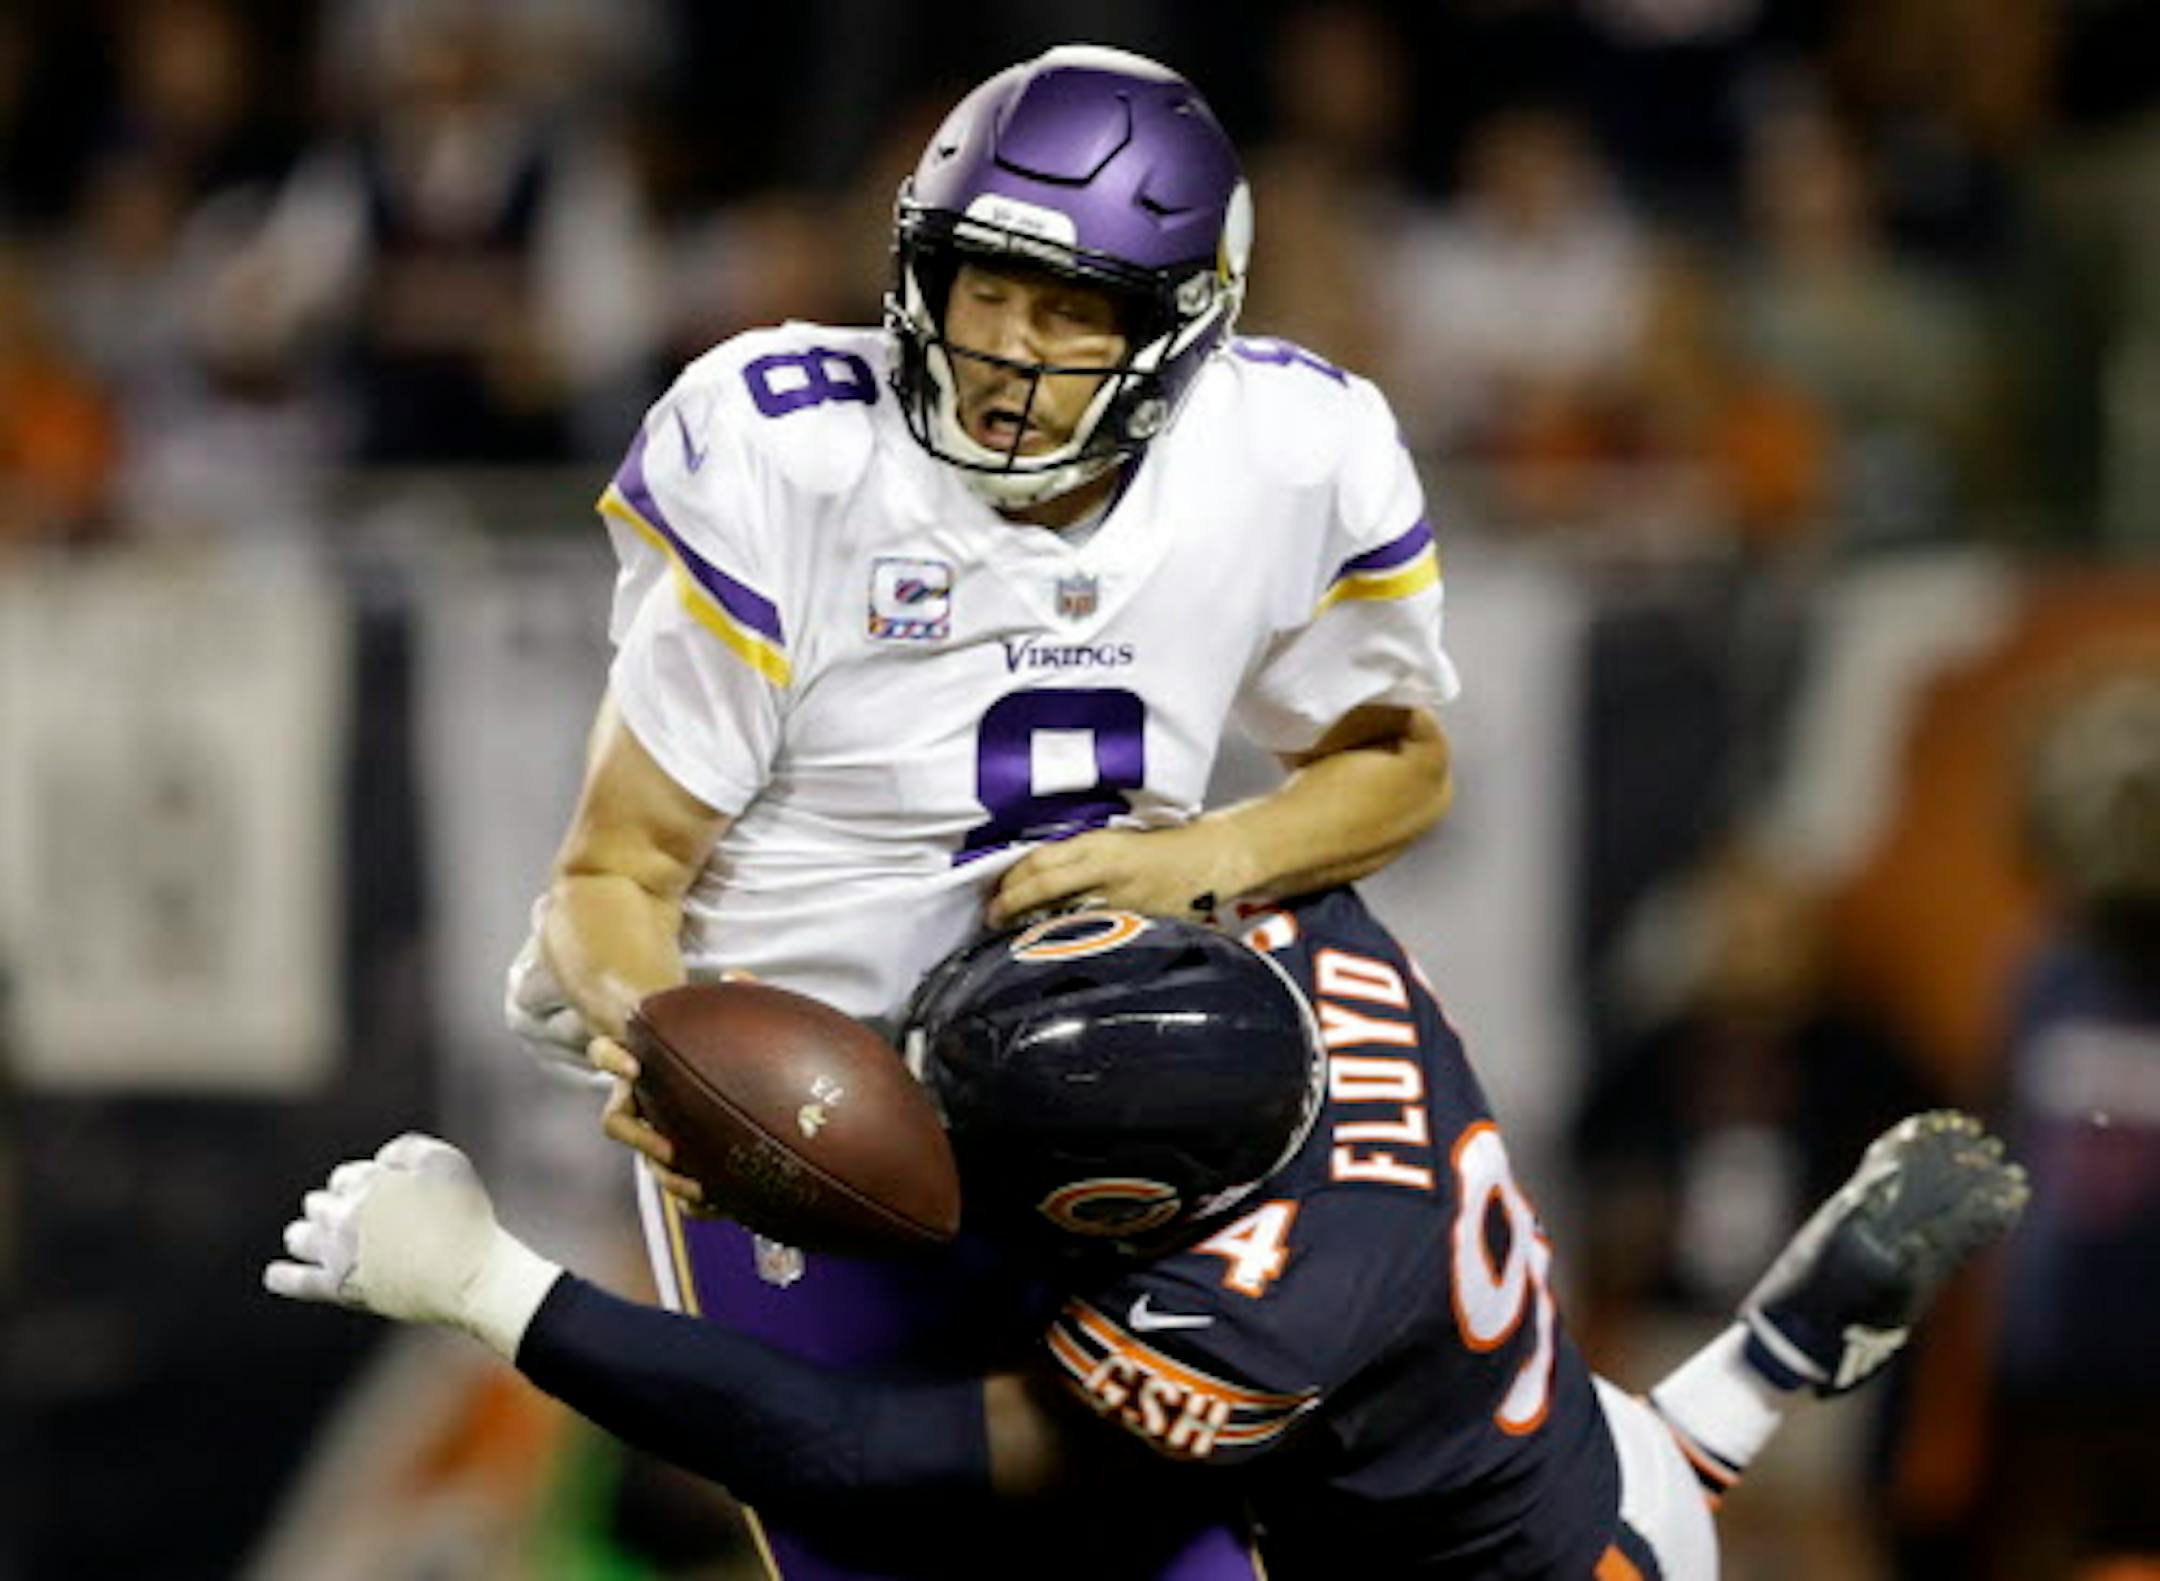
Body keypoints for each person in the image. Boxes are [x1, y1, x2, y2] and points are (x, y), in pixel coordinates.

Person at [505, 43, 1456, 1579]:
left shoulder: (1291, 451)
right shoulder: (787, 451)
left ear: (1185, 325)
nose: (1010, 347)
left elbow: (1401, 758)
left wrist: (1208, 854)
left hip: (1112, 1105)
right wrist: (667, 1045)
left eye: (1074, 307)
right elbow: (615, 869)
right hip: (827, 1137)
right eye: (984, 284)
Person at [273, 890, 2028, 1578]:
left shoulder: (1259, 1320)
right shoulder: (1311, 940)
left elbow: (864, 1454)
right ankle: (1789, 1347)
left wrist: (485, 1285)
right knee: (1627, 1476)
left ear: (1129, 1210)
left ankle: (1782, 1353)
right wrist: (620, 964)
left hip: (1517, 1550)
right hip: (1564, 1455)